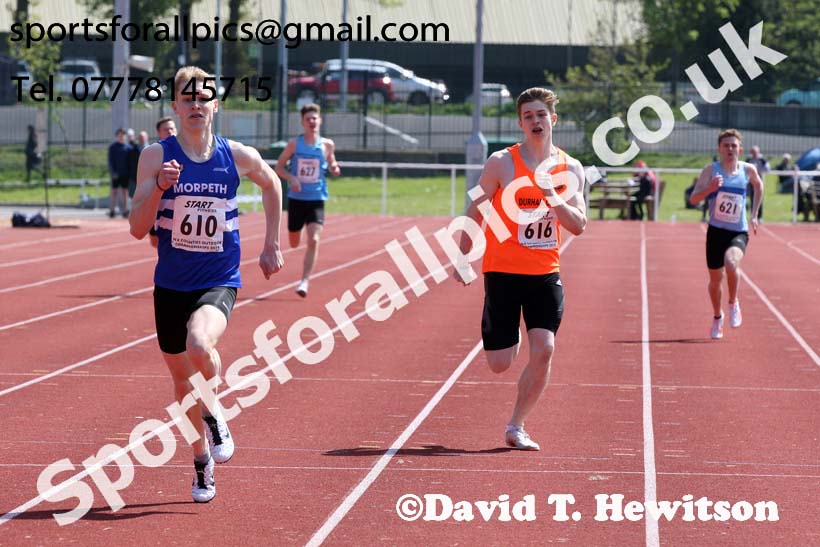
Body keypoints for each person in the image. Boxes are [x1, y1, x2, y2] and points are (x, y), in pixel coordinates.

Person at [129, 66, 285, 503]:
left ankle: (216, 411)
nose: (196, 104)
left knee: (200, 343)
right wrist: (160, 188)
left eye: (204, 97)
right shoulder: (155, 157)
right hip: (171, 284)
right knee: (182, 387)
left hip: (218, 279)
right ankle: (201, 462)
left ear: (215, 105)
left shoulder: (235, 155)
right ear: (176, 107)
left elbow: (272, 183)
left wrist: (271, 243)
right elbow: (137, 228)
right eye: (188, 98)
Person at [455, 87, 587, 450]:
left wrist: (554, 197)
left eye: (541, 114)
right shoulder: (501, 163)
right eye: (528, 116)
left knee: (544, 349)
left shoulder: (570, 168)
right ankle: (501, 334)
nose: (535, 121)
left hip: (545, 273)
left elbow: (578, 225)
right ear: (520, 123)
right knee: (500, 363)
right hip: (502, 273)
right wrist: (463, 257)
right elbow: (476, 211)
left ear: (553, 119)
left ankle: (516, 425)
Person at [688, 129, 763, 340]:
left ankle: (733, 302)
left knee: (731, 263)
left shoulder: (747, 170)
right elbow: (693, 200)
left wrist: (755, 214)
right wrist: (709, 189)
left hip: (738, 231)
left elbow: (759, 185)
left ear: (740, 149)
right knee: (715, 280)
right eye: (726, 146)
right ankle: (717, 316)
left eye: (733, 146)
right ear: (719, 149)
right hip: (715, 232)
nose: (730, 149)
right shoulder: (711, 170)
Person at [274, 103, 341, 297]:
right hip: (296, 199)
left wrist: (335, 168)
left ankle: (304, 281)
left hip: (316, 198)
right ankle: (297, 233)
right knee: (294, 242)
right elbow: (279, 168)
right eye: (308, 119)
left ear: (320, 120)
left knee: (314, 239)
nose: (312, 121)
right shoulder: (295, 144)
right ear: (303, 123)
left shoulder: (327, 145)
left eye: (314, 118)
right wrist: (291, 178)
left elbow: (332, 162)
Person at [148, 119, 179, 248]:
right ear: (159, 133)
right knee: (157, 244)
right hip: (159, 207)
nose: (170, 132)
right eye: (166, 129)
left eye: (172, 128)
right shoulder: (154, 154)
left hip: (182, 207)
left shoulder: (187, 151)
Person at [108, 128, 131, 218]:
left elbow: (130, 162)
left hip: (125, 173)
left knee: (125, 192)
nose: (121, 137)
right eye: (119, 135)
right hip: (116, 174)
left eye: (123, 135)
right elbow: (111, 161)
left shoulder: (128, 148)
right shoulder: (113, 147)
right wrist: (113, 172)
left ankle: (125, 210)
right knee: (114, 191)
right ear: (117, 136)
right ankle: (112, 210)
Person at [745, 145, 768, 221]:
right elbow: (745, 169)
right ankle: (753, 215)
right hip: (750, 182)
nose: (754, 153)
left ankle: (760, 217)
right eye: (752, 152)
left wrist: (758, 170)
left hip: (759, 182)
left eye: (755, 152)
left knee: (759, 199)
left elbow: (767, 169)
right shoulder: (748, 159)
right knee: (752, 199)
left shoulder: (762, 160)